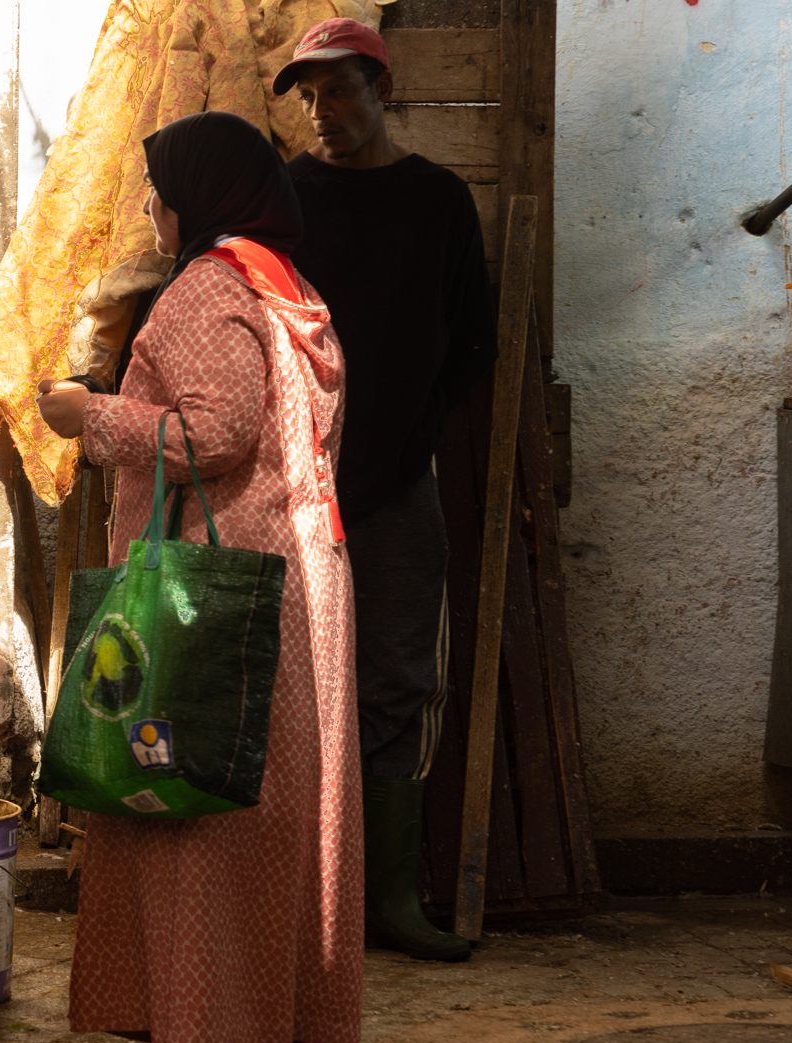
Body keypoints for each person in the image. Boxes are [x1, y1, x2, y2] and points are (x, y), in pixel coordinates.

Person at [35, 111, 360, 1043]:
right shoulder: (288, 289)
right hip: (297, 585)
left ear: (204, 192)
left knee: (180, 813)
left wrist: (91, 417)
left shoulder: (207, 290)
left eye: (159, 188)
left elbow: (215, 437)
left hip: (206, 596)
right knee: (261, 820)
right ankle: (252, 1041)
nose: (152, 207)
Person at [275, 18, 497, 962]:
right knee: (294, 690)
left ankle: (392, 904)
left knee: (398, 684)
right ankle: (307, 909)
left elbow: (471, 342)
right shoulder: (287, 198)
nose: (323, 114)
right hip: (298, 480)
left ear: (382, 91)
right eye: (310, 97)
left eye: (340, 93)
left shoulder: (438, 202)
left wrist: (405, 437)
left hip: (399, 485)